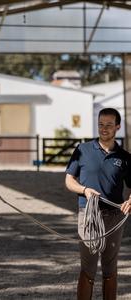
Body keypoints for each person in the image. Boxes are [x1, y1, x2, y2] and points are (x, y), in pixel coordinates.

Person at [65, 107, 131, 300]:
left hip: (114, 218)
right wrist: (84, 190)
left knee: (110, 268)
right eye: (101, 124)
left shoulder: (125, 158)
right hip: (88, 214)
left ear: (117, 127)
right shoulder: (82, 150)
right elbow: (69, 180)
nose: (104, 128)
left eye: (109, 125)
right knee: (88, 267)